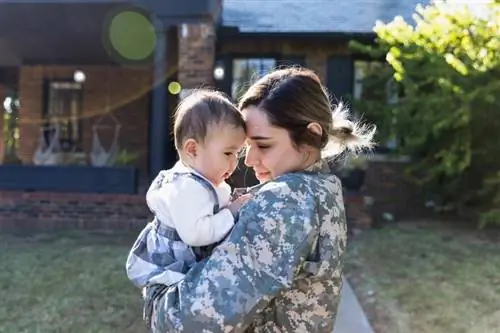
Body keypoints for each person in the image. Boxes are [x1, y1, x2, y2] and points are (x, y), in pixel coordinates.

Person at [143, 67, 376, 332]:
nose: (249, 160)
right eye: (245, 147)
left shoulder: (284, 202)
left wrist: (155, 293)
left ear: (311, 136)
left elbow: (184, 323)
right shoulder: (322, 189)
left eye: (263, 145)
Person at [125, 89, 251, 291]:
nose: (234, 162)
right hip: (173, 266)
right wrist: (231, 212)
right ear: (192, 149)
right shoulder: (186, 188)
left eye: (237, 153)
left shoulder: (199, 179)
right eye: (228, 152)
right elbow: (196, 235)